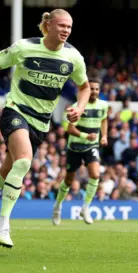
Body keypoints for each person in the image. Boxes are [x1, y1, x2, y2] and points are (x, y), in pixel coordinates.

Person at [0, 9, 91, 248]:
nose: (66, 30)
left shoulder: (73, 57)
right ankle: (3, 226)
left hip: (41, 122)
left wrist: (80, 106)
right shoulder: (24, 47)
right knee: (23, 161)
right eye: (61, 25)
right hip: (15, 111)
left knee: (5, 174)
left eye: (69, 27)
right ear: (49, 25)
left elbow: (85, 86)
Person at [52, 73, 108, 225]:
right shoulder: (77, 107)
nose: (95, 91)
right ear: (87, 90)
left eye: (97, 89)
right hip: (75, 147)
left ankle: (86, 207)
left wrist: (104, 136)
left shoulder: (103, 105)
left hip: (92, 145)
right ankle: (57, 206)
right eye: (92, 89)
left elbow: (103, 120)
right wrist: (85, 135)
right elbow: (69, 129)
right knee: (69, 181)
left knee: (95, 175)